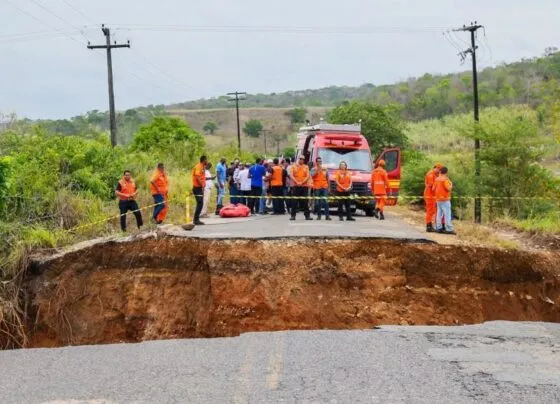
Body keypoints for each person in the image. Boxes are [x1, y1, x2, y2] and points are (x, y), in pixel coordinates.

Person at [289, 156, 312, 221]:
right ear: (298, 159)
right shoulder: (293, 166)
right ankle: (293, 216)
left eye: (303, 159)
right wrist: (297, 182)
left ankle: (307, 216)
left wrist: (302, 182)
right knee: (294, 201)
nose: (301, 160)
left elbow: (307, 176)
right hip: (295, 186)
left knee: (305, 201)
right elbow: (291, 175)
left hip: (304, 186)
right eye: (300, 159)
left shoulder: (306, 167)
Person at [433, 166, 455, 235]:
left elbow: (433, 188)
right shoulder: (445, 179)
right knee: (447, 214)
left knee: (439, 214)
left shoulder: (437, 179)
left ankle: (438, 228)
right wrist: (451, 184)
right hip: (445, 199)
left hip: (438, 199)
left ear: (440, 172)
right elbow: (448, 188)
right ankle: (449, 229)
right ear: (446, 172)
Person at [424, 163, 442, 232]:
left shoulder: (434, 174)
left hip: (432, 195)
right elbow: (432, 186)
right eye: (439, 170)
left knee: (432, 211)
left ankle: (430, 225)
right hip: (429, 195)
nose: (439, 172)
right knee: (430, 211)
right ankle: (428, 226)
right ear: (436, 168)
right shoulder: (431, 175)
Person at [192, 155, 207, 225]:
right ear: (204, 160)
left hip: (199, 188)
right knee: (200, 203)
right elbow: (197, 176)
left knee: (200, 203)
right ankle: (196, 219)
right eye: (206, 160)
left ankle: (196, 219)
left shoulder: (203, 167)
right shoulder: (198, 166)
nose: (207, 161)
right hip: (197, 188)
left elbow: (202, 177)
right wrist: (202, 184)